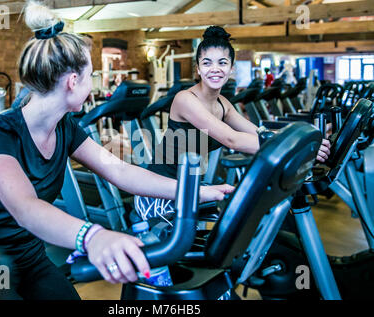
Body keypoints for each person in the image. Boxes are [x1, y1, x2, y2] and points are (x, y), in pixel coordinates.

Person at [0, 2, 233, 300]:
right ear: (72, 82)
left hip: (30, 256)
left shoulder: (65, 128)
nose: (92, 88)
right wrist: (92, 236)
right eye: (90, 76)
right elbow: (24, 208)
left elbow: (119, 171)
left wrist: (194, 191)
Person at [135, 26, 331, 222]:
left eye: (222, 62)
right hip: (159, 194)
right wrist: (295, 146)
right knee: (230, 227)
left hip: (191, 186)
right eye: (206, 63)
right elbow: (232, 140)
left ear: (231, 68)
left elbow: (259, 133)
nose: (215, 69)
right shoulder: (185, 99)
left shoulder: (224, 105)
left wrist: (300, 138)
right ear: (198, 68)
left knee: (246, 216)